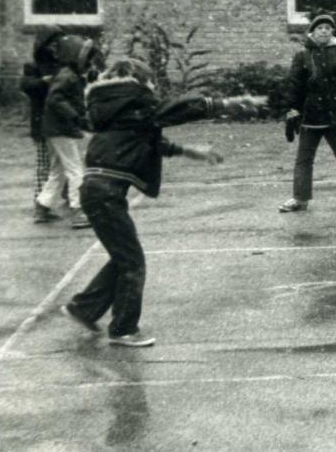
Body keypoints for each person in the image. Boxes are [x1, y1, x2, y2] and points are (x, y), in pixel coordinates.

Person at [60, 58, 262, 347]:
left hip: (96, 189)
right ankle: (123, 329)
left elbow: (148, 138)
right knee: (133, 262)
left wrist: (190, 151)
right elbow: (174, 110)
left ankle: (83, 308)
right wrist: (224, 104)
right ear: (139, 80)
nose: (153, 87)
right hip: (105, 193)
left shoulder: (114, 106)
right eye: (151, 81)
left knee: (124, 257)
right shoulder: (134, 99)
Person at [279, 13, 336, 212]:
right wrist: (291, 110)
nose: (324, 31)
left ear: (332, 33)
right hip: (310, 116)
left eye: (328, 29)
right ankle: (300, 199)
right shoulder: (303, 55)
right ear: (313, 31)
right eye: (320, 28)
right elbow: (295, 85)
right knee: (304, 159)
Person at [35, 34, 97, 229]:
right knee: (75, 169)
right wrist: (76, 118)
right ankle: (79, 210)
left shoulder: (67, 74)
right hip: (62, 129)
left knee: (59, 169)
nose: (88, 62)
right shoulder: (68, 76)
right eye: (86, 58)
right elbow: (56, 100)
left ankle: (42, 206)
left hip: (54, 129)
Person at [21, 25, 64, 222]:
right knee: (46, 164)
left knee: (59, 163)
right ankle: (41, 204)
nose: (56, 47)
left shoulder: (61, 64)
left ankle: (51, 202)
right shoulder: (34, 66)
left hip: (56, 121)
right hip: (43, 122)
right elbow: (26, 85)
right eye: (53, 43)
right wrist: (43, 82)